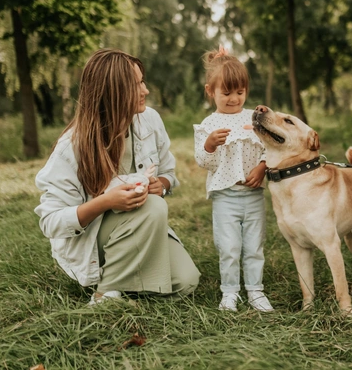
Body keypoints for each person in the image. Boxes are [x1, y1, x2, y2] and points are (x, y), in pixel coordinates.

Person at [35, 49, 200, 304]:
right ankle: (106, 294)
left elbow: (168, 174)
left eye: (142, 81)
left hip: (142, 226)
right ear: (112, 93)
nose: (145, 91)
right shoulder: (72, 146)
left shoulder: (150, 120)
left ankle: (127, 282)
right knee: (153, 206)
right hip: (94, 238)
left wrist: (162, 186)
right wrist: (106, 202)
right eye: (135, 85)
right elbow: (50, 222)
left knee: (185, 282)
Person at [193, 47, 273, 312]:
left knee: (254, 246)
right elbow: (205, 163)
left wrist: (262, 167)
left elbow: (269, 149)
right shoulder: (208, 125)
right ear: (210, 91)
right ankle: (229, 292)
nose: (233, 99)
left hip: (253, 196)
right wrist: (209, 145)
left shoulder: (254, 119)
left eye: (240, 92)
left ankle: (255, 291)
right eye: (226, 93)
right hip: (225, 196)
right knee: (229, 247)